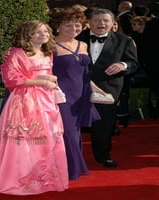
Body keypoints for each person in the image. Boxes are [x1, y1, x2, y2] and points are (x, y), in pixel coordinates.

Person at [0, 20, 69, 195]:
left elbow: (47, 74)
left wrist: (49, 79)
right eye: (38, 32)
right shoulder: (16, 53)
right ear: (27, 34)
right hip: (24, 101)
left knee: (49, 137)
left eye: (46, 31)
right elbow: (10, 79)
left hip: (47, 101)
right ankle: (18, 180)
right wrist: (41, 81)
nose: (44, 35)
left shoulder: (47, 52)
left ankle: (45, 180)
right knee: (23, 141)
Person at [49, 7, 106, 179]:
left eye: (77, 26)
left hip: (81, 93)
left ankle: (74, 165)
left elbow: (84, 72)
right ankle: (70, 169)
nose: (73, 29)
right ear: (58, 26)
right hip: (62, 95)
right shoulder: (50, 45)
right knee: (67, 132)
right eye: (68, 26)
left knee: (76, 130)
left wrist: (95, 89)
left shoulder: (83, 44)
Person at [77, 8, 138, 168]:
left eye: (105, 20)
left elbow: (133, 64)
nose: (101, 24)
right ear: (89, 23)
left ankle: (103, 156)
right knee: (72, 124)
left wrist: (122, 64)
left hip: (107, 89)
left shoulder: (124, 40)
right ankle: (71, 156)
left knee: (104, 126)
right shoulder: (77, 38)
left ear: (113, 24)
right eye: (96, 20)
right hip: (78, 87)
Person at [142, 7, 159, 120]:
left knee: (155, 87)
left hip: (153, 61)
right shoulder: (152, 23)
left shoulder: (152, 23)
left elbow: (145, 44)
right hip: (154, 61)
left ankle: (154, 111)